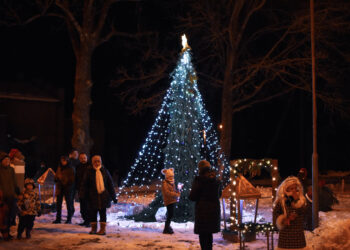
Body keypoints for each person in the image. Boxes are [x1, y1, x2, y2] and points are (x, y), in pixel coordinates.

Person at [80, 155, 117, 235]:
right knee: (93, 213)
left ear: (101, 162)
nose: (97, 163)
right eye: (95, 161)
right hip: (92, 196)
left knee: (102, 214)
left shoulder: (104, 171)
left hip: (103, 196)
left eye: (98, 161)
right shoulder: (89, 171)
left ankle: (102, 230)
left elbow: (110, 184)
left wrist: (114, 197)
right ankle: (94, 229)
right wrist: (83, 195)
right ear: (92, 162)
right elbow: (84, 184)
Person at [189, 160, 222, 250]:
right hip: (213, 213)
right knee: (209, 235)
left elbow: (192, 197)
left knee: (203, 237)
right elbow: (219, 194)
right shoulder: (216, 180)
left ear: (200, 169)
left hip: (202, 213)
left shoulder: (199, 180)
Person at [273, 176, 310, 249]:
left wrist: (296, 201)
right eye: (291, 188)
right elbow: (276, 213)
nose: (294, 191)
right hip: (286, 233)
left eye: (295, 188)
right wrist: (283, 220)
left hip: (297, 233)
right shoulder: (281, 201)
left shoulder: (301, 200)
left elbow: (304, 211)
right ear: (286, 189)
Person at [0, 153, 20, 240]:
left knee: (9, 216)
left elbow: (14, 182)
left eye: (8, 160)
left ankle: (6, 233)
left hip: (11, 196)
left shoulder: (11, 170)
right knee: (1, 217)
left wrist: (18, 191)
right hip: (1, 197)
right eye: (5, 160)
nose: (7, 161)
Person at [53, 155, 75, 224]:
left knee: (69, 203)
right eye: (62, 160)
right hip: (60, 187)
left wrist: (65, 181)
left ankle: (69, 219)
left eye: (64, 160)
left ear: (67, 161)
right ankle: (58, 218)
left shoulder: (71, 168)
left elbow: (72, 179)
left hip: (68, 188)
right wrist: (56, 179)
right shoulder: (59, 167)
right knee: (58, 203)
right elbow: (56, 175)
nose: (63, 162)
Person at [161, 168, 181, 234]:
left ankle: (167, 227)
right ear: (167, 176)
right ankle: (166, 228)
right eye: (170, 176)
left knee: (170, 214)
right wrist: (176, 194)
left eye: (172, 176)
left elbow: (173, 190)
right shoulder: (165, 183)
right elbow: (167, 193)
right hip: (168, 201)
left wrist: (178, 190)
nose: (171, 178)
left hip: (172, 200)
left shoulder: (172, 182)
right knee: (170, 214)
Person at [75, 153, 91, 227]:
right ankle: (85, 220)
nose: (83, 159)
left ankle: (89, 221)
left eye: (84, 158)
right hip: (80, 189)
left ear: (87, 158)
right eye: (81, 158)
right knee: (82, 206)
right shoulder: (78, 166)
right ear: (79, 159)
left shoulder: (90, 166)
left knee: (88, 206)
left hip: (88, 189)